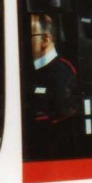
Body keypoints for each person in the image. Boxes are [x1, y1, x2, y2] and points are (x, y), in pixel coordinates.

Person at [29, 13, 79, 158]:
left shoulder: (63, 72)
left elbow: (64, 118)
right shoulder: (28, 71)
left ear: (45, 40)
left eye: (29, 35)